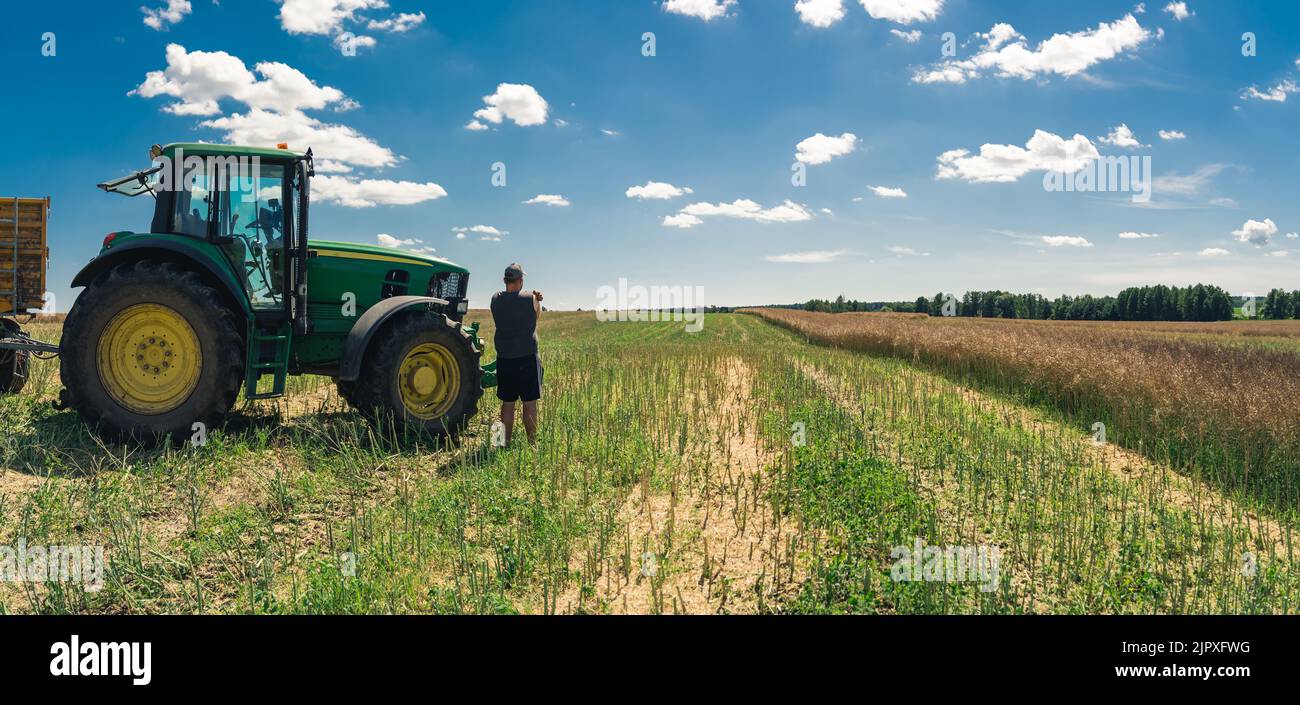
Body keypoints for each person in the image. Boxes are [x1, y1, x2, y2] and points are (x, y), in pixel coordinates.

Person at [490, 263, 543, 445]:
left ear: (505, 280)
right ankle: (532, 443)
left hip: (505, 358)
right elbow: (537, 315)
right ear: (520, 280)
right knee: (529, 403)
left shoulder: (495, 299)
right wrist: (537, 299)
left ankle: (503, 443)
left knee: (507, 403)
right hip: (527, 357)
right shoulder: (530, 298)